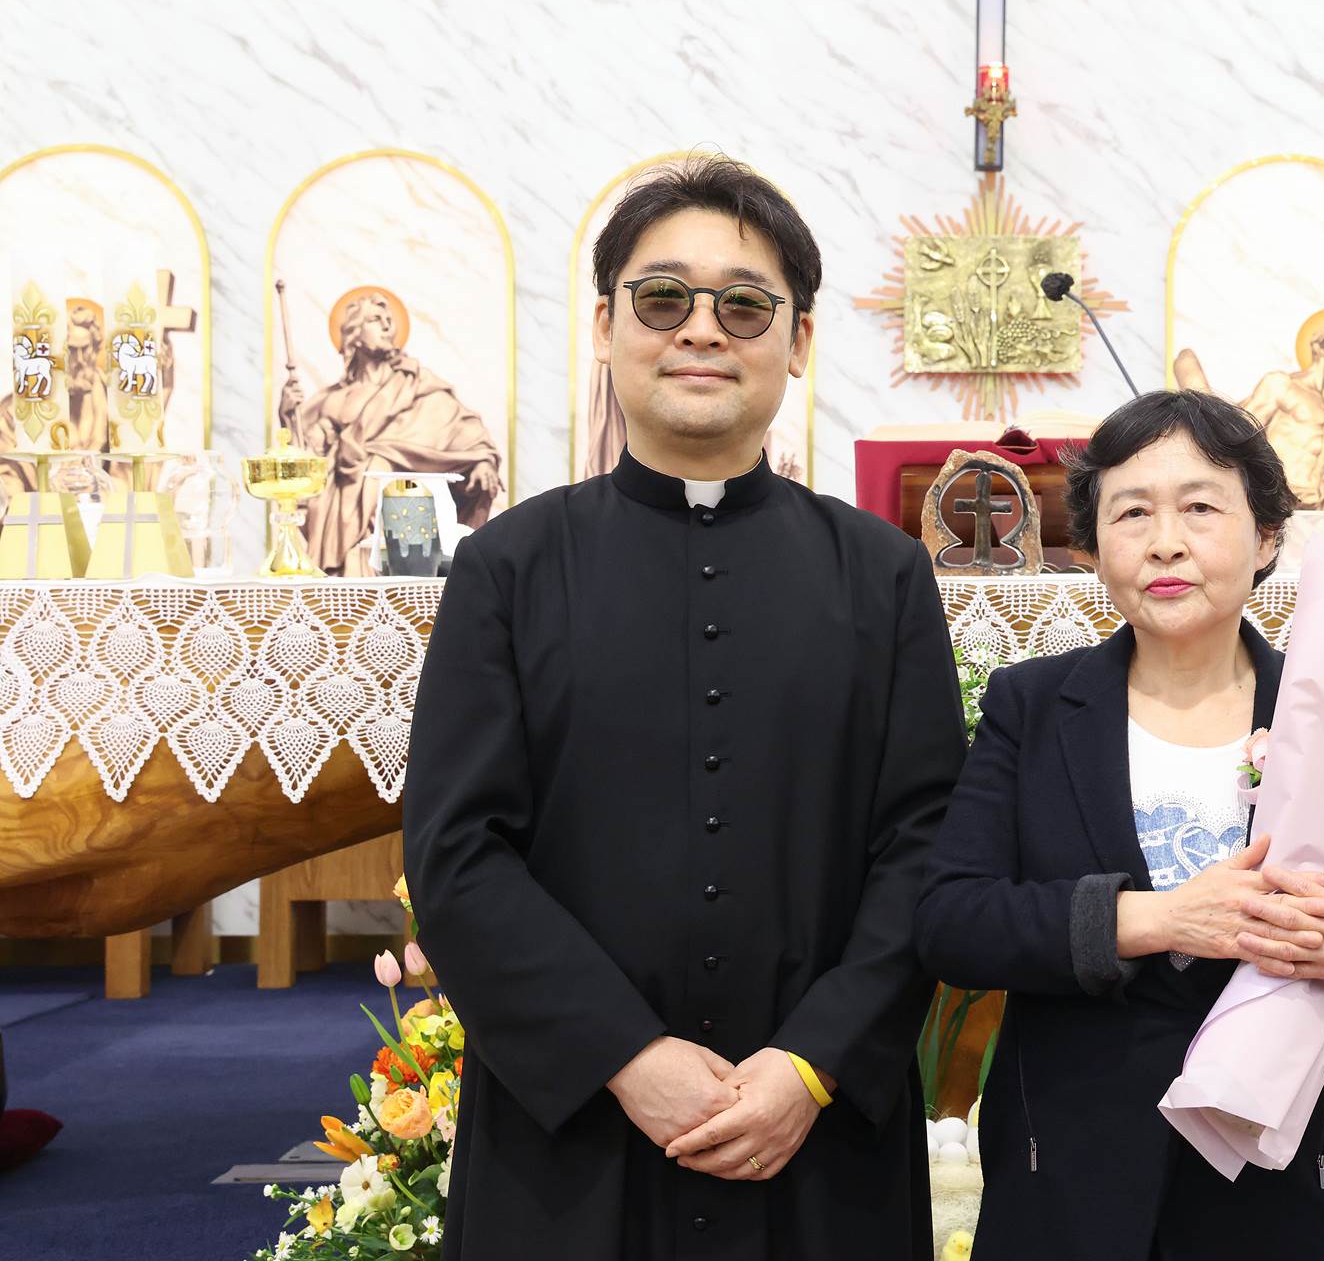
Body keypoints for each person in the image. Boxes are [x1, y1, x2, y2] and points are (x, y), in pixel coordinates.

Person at [403, 153, 967, 1260]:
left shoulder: (882, 574)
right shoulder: (509, 569)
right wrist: (624, 1055)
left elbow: (927, 844)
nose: (701, 331)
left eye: (744, 306)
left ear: (798, 341)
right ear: (605, 326)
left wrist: (810, 1064)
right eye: (663, 300)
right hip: (574, 1129)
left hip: (816, 1133)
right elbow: (457, 851)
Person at [916, 389, 1324, 1260]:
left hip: (1285, 1181)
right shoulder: (1034, 708)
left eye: (1201, 507)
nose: (1166, 541)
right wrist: (1155, 918)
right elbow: (953, 922)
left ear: (1267, 537)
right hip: (1073, 1172)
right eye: (1132, 513)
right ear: (1092, 551)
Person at [279, 291, 504, 576]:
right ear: (354, 335)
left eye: (389, 320)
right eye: (376, 319)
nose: (387, 326)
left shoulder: (414, 384)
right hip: (341, 524)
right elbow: (305, 467)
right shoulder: (332, 400)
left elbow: (459, 425)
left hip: (404, 531)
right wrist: (288, 415)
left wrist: (483, 461)